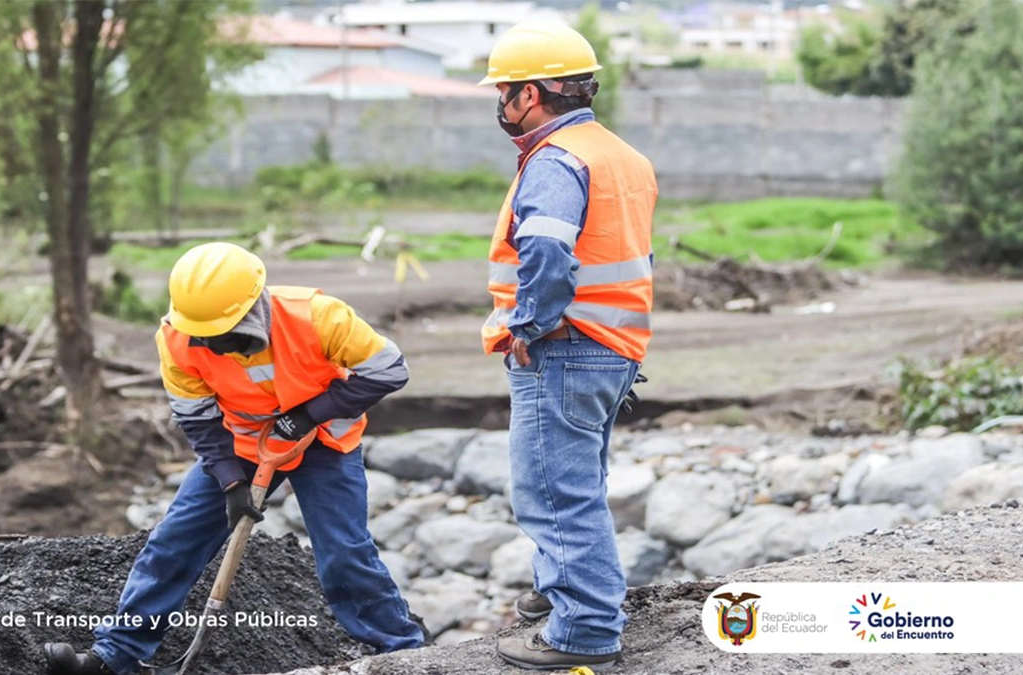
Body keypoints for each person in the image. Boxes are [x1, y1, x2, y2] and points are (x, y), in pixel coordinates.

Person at [44, 242, 424, 675]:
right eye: (200, 333)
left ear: (250, 310)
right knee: (174, 543)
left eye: (218, 333)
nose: (208, 344)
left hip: (323, 444)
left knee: (343, 550)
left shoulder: (317, 316)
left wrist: (307, 415)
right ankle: (116, 656)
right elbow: (196, 418)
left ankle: (402, 653)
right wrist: (229, 479)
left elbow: (390, 370)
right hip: (241, 447)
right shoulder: (176, 338)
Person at [478, 21, 658, 671]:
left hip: (564, 346)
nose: (498, 103)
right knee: (577, 483)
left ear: (531, 94)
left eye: (503, 90)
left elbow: (549, 250)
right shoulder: (621, 155)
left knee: (552, 489)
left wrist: (528, 325)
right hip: (613, 345)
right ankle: (562, 596)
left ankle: (582, 628)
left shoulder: (556, 161)